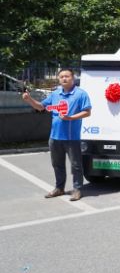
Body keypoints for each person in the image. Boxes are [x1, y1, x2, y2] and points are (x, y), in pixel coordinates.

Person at [22, 68, 92, 201]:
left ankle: (77, 189)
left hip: (72, 138)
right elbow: (41, 107)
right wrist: (29, 99)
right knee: (57, 164)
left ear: (73, 78)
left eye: (67, 76)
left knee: (76, 165)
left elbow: (87, 112)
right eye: (61, 77)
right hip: (55, 137)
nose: (64, 78)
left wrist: (70, 117)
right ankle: (59, 188)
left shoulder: (80, 94)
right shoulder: (55, 94)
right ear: (59, 79)